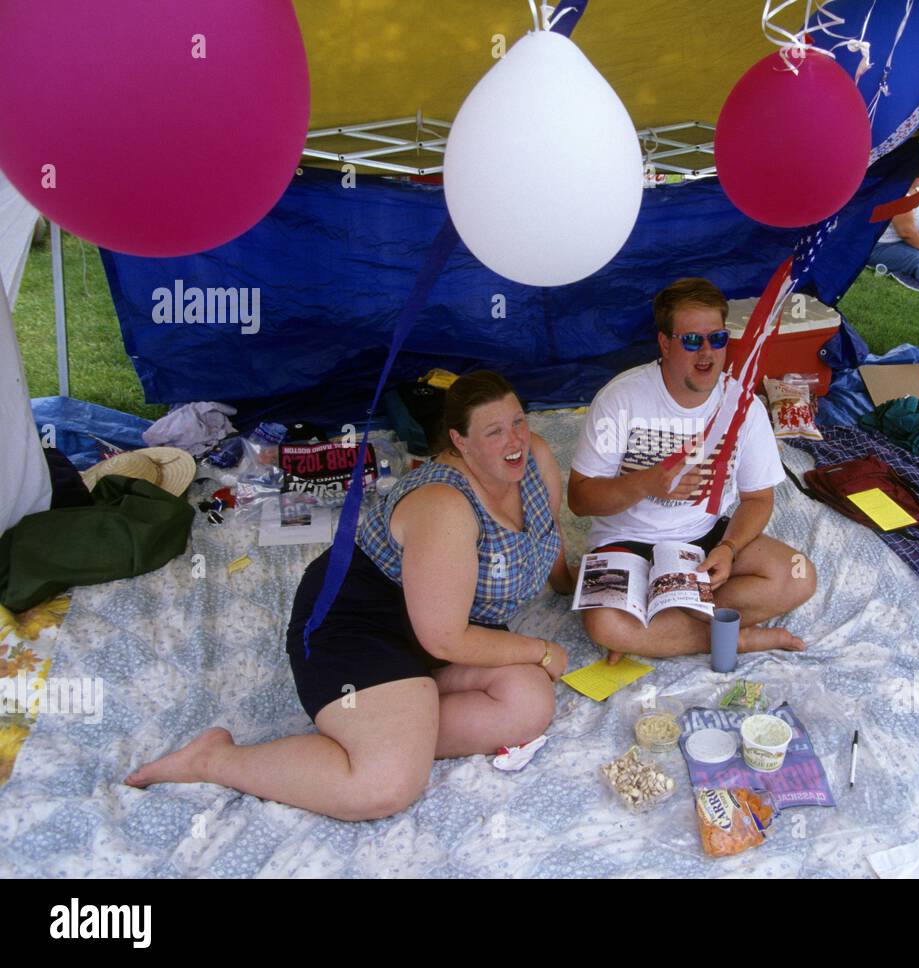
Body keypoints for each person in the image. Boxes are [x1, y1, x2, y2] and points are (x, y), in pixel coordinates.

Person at [126, 372, 574, 821]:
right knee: (383, 788)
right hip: (361, 625)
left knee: (529, 703)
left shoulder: (532, 456)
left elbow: (544, 529)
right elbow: (445, 639)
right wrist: (541, 650)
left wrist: (564, 582)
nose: (513, 439)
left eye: (518, 421)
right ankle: (214, 758)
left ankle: (395, 722)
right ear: (459, 440)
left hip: (441, 622)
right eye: (493, 431)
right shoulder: (444, 505)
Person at [567, 278, 816, 664]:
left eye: (717, 339)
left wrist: (729, 549)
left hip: (703, 539)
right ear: (664, 343)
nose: (707, 353)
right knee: (603, 624)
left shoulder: (742, 406)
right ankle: (731, 638)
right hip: (626, 539)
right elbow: (580, 500)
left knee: (799, 575)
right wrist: (648, 482)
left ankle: (658, 626)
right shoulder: (621, 398)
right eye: (691, 341)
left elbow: (758, 498)